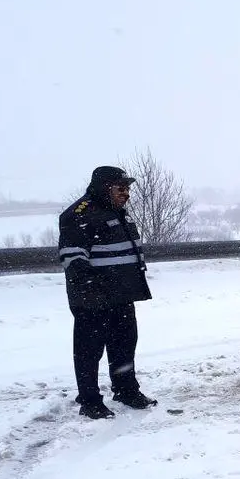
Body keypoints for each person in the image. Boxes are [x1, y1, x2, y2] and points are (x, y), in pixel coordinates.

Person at [57, 166, 158, 419]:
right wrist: (94, 286)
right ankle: (90, 401)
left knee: (124, 345)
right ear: (105, 188)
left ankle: (126, 390)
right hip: (93, 299)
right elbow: (73, 257)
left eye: (128, 189)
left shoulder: (114, 212)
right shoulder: (78, 214)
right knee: (89, 352)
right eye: (120, 188)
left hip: (121, 295)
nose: (127, 194)